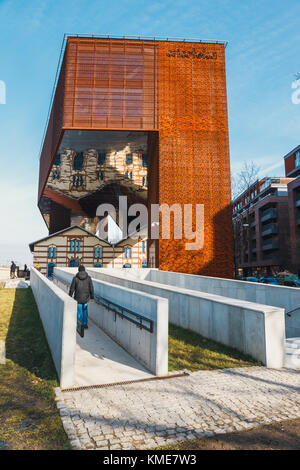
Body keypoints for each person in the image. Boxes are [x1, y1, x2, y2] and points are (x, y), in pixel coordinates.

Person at [69, 265, 94, 335]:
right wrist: (92, 297)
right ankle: (85, 324)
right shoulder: (88, 278)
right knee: (85, 310)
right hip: (86, 298)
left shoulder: (75, 278)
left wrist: (69, 296)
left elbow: (72, 288)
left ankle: (79, 325)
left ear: (78, 270)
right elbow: (91, 288)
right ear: (84, 270)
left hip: (78, 298)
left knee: (79, 311)